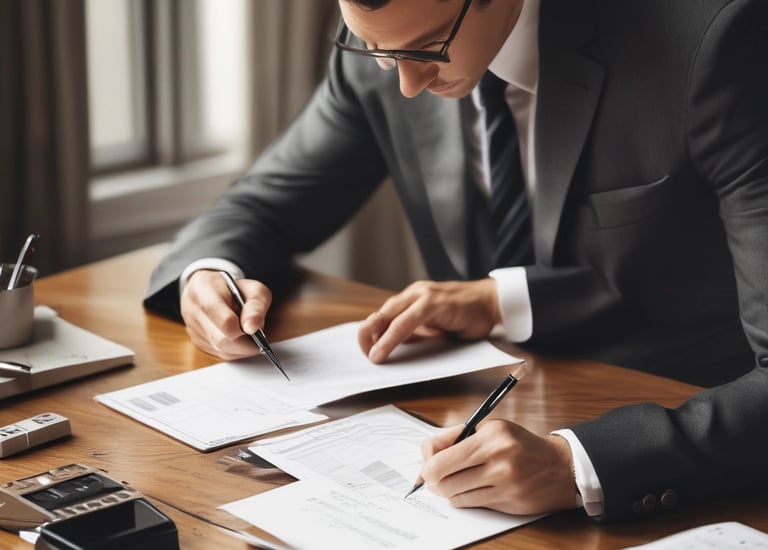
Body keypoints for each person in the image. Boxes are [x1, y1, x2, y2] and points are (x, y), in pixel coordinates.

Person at [144, 0, 768, 523]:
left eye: (428, 49)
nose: (406, 84)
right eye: (377, 51)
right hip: (483, 421)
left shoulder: (716, 42)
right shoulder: (385, 49)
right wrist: (209, 272)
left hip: (692, 451)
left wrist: (573, 464)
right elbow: (263, 206)